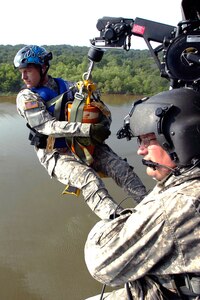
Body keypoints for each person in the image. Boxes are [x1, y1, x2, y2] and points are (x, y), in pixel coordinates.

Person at [84, 87, 200, 299]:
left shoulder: (178, 202)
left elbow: (101, 264)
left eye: (148, 140)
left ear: (181, 140)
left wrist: (114, 222)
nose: (140, 150)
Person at [14, 45, 146, 219]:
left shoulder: (68, 86)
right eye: (21, 71)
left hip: (83, 144)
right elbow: (47, 126)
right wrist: (88, 129)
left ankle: (149, 205)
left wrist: (92, 97)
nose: (23, 76)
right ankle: (116, 220)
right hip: (55, 153)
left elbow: (99, 108)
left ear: (43, 67)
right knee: (88, 179)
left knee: (122, 169)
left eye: (28, 70)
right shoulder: (26, 97)